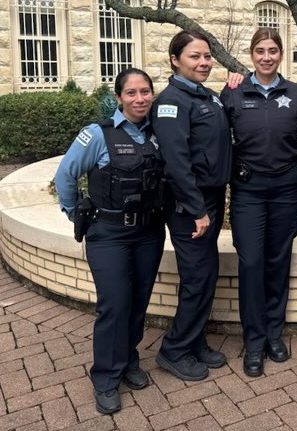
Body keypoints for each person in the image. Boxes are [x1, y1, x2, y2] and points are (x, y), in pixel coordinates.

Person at [53, 68, 165, 415]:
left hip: (148, 232)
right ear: (118, 97)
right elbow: (65, 175)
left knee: (137, 301)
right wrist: (74, 213)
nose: (140, 99)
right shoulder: (97, 135)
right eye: (131, 93)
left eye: (145, 92)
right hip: (109, 234)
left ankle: (129, 360)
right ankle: (105, 377)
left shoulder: (157, 132)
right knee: (114, 304)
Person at [220, 29, 297, 377]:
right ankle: (254, 341)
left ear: (281, 54)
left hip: (286, 189)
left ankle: (274, 335)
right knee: (252, 263)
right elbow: (215, 137)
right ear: (252, 54)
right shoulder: (233, 92)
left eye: (273, 50)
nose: (267, 57)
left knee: (277, 262)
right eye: (260, 51)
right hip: (248, 191)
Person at [152, 29, 232, 382]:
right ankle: (173, 349)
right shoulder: (172, 102)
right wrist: (197, 209)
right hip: (191, 205)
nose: (204, 62)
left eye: (207, 56)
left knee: (205, 274)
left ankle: (194, 340)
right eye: (194, 56)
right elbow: (176, 162)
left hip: (210, 199)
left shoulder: (207, 97)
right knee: (198, 278)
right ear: (175, 59)